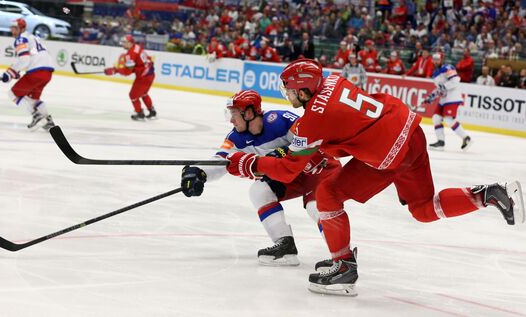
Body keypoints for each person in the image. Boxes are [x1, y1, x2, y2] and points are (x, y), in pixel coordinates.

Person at [224, 59, 524, 296]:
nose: (287, 95)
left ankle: (343, 268)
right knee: (423, 208)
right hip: (410, 132)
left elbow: (290, 168)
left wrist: (249, 163)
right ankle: (488, 194)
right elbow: (344, 127)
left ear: (303, 91)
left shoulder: (312, 121)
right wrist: (309, 150)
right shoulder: (334, 81)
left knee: (328, 194)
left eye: (290, 90)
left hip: (388, 155)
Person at [180, 90, 341, 266]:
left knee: (315, 207)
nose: (231, 120)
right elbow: (221, 160)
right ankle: (285, 246)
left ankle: (341, 259)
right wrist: (198, 172)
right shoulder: (235, 138)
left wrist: (284, 151)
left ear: (248, 113)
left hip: (317, 168)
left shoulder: (280, 120)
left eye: (234, 114)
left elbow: (309, 139)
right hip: (289, 174)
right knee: (259, 191)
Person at [1, 18, 55, 131]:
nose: (13, 31)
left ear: (22, 29)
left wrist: (10, 73)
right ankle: (48, 120)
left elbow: (24, 59)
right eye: (12, 28)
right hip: (48, 73)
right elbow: (30, 58)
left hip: (36, 72)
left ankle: (36, 115)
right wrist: (16, 71)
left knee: (13, 94)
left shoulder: (21, 39)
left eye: (15, 28)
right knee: (33, 99)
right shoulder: (34, 38)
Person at [104, 35, 156, 121]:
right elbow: (148, 59)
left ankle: (140, 113)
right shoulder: (137, 47)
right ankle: (152, 112)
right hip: (150, 74)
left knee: (133, 95)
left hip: (143, 77)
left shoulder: (130, 54)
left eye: (124, 42)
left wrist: (115, 70)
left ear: (130, 43)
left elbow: (127, 72)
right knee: (143, 93)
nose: (122, 44)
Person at [426, 53, 472, 150]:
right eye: (434, 59)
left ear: (442, 59)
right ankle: (441, 142)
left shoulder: (447, 67)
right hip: (444, 99)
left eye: (437, 59)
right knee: (436, 118)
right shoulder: (435, 73)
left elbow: (455, 80)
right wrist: (432, 96)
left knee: (448, 119)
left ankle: (466, 138)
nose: (435, 61)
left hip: (452, 97)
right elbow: (439, 89)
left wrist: (443, 87)